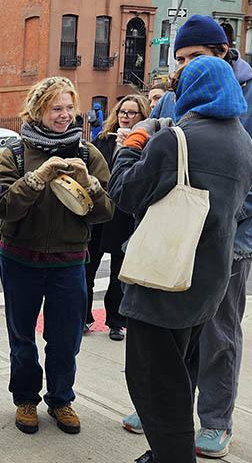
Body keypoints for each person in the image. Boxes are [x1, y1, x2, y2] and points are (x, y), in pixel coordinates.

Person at [123, 16, 252, 458]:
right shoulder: (184, 102)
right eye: (179, 58)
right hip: (181, 243)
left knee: (214, 339)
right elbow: (164, 152)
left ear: (222, 51)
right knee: (180, 347)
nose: (183, 68)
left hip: (226, 242)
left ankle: (213, 422)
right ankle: (167, 420)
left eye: (193, 57)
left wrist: (229, 210)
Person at [109, 56, 252, 463]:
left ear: (192, 91)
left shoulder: (176, 140)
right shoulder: (243, 141)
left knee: (155, 385)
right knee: (181, 372)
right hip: (208, 279)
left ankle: (172, 456)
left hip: (162, 279)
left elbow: (123, 192)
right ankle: (164, 452)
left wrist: (134, 142)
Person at [0, 76, 113, 436]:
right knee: (22, 338)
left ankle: (61, 399)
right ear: (37, 111)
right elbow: (3, 206)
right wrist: (36, 178)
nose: (64, 115)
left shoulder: (88, 154)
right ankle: (25, 398)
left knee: (65, 340)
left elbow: (106, 212)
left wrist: (89, 184)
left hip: (69, 261)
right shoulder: (13, 154)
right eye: (55, 108)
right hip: (20, 259)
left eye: (69, 108)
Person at [84, 94, 149, 340]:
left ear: (142, 117)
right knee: (87, 268)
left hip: (125, 214)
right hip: (100, 212)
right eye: (122, 112)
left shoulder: (148, 142)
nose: (125, 117)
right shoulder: (103, 140)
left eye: (132, 113)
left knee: (118, 273)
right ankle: (84, 317)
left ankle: (116, 321)